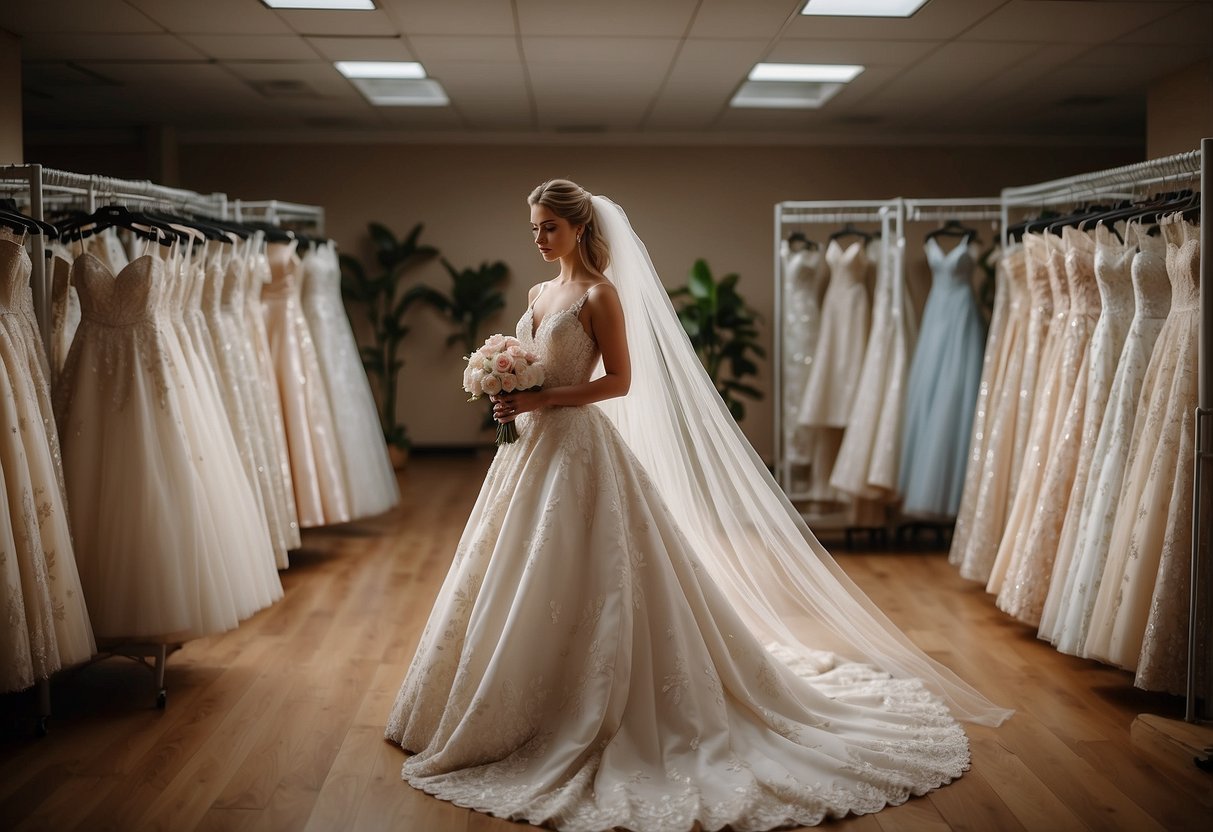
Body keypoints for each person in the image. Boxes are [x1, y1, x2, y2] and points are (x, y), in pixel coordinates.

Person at [385, 180, 1010, 831]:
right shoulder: (540, 294)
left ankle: (584, 707)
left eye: (548, 228)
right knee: (507, 567)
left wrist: (538, 399)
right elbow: (536, 361)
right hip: (528, 452)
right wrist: (508, 384)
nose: (538, 239)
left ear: (578, 229)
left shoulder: (601, 295)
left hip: (576, 446)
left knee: (593, 570)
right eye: (534, 227)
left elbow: (620, 381)